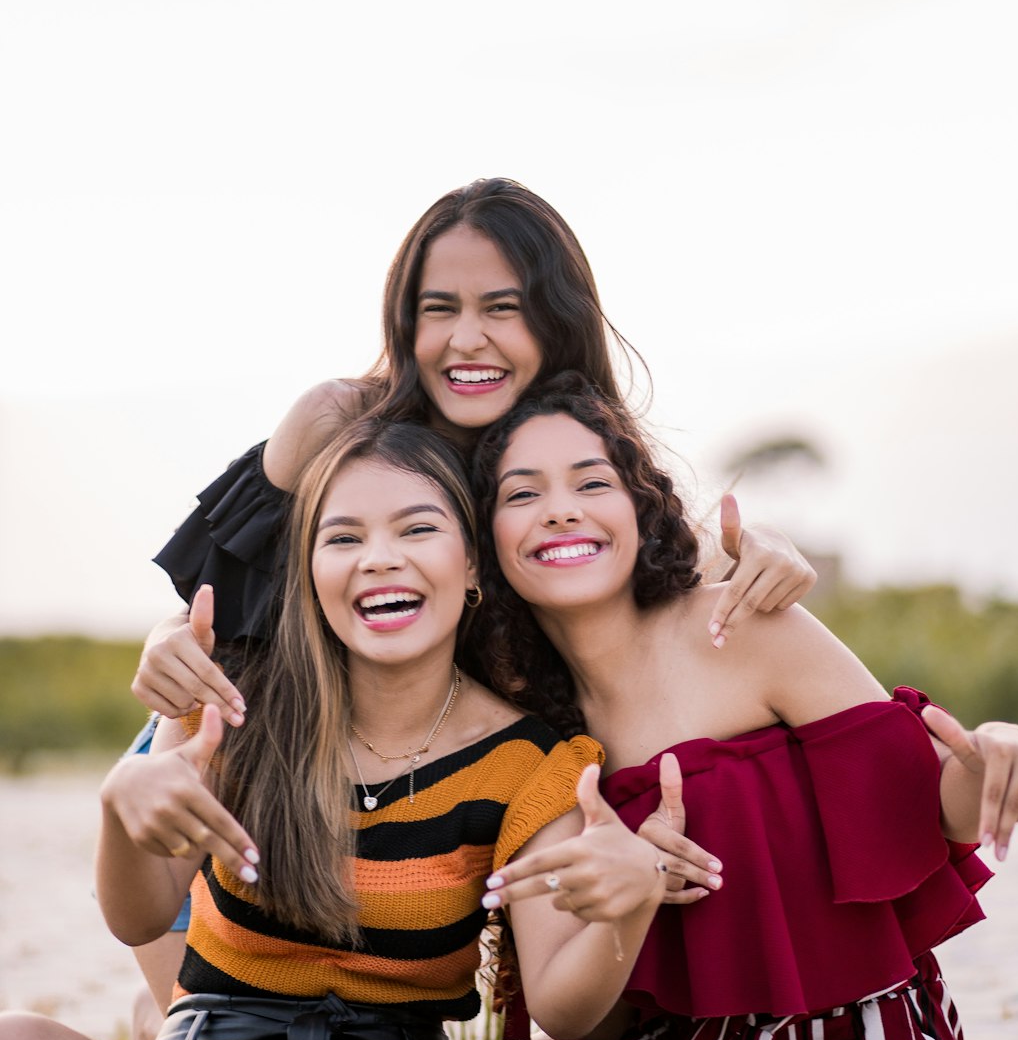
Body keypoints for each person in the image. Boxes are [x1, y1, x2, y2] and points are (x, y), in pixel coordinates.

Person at [0, 420, 675, 1040]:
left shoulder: (532, 762)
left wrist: (625, 908)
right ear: (309, 575)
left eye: (417, 529)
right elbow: (137, 916)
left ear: (474, 566)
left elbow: (562, 1007)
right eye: (343, 538)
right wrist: (123, 810)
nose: (379, 559)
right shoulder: (233, 700)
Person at [466, 374, 1018, 1040]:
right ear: (486, 542)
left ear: (639, 507)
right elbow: (576, 1024)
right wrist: (626, 898)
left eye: (591, 482)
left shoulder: (740, 626)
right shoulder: (522, 731)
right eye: (523, 494)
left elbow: (928, 798)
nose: (561, 511)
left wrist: (1001, 757)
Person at [132, 176, 815, 728]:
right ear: (406, 321)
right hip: (252, 758)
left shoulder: (579, 451)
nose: (466, 339)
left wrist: (763, 552)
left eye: (501, 307)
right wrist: (166, 637)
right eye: (438, 309)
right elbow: (220, 606)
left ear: (556, 319)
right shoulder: (336, 422)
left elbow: (661, 600)